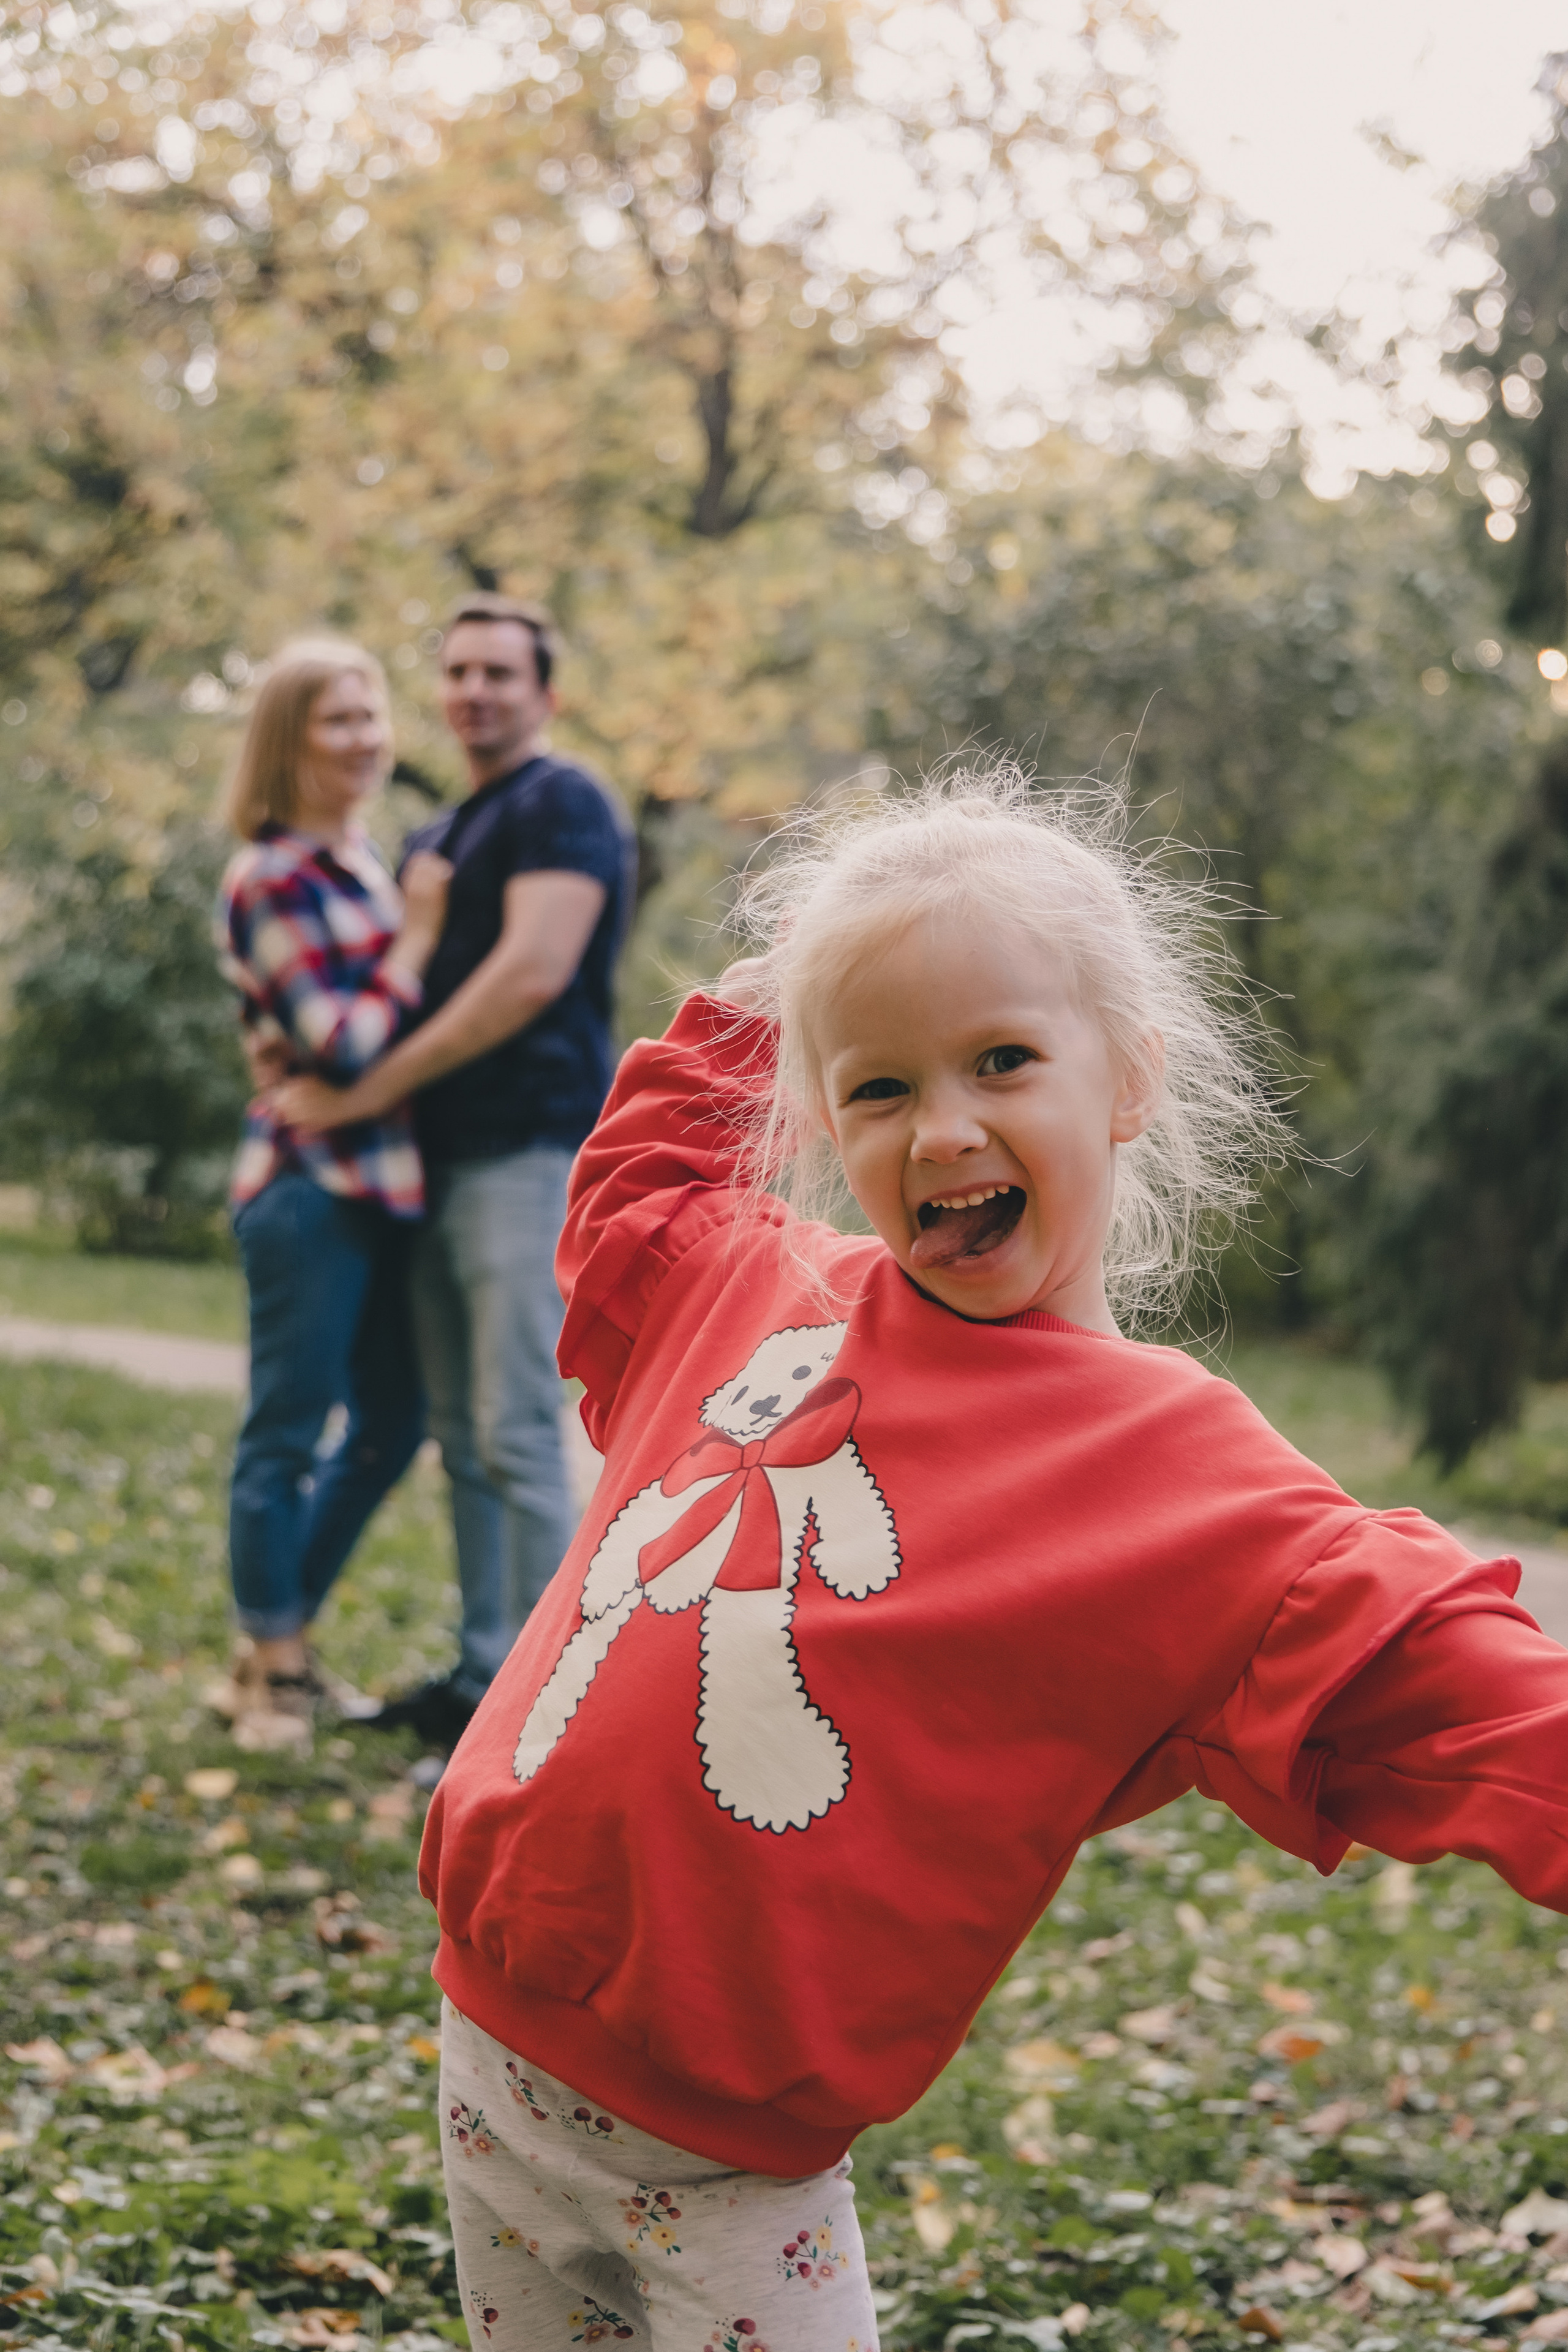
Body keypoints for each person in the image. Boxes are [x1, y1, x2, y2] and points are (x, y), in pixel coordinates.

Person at [415, 769, 1568, 2351]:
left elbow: (1453, 1686)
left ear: (1129, 1082)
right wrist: (775, 994)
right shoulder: (756, 1288)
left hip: (733, 2176)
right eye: (879, 1087)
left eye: (1004, 1061)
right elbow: (649, 1186)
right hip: (488, 2063)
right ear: (822, 1121)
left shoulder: (1178, 1482)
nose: (943, 1126)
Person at [276, 595, 635, 1752]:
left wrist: (373, 1092)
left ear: (546, 693)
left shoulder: (561, 802)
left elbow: (533, 973)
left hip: (525, 1150)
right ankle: (490, 1674)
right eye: (459, 671)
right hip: (430, 1168)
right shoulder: (436, 837)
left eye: (500, 671)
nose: (475, 689)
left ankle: (544, 1707)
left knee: (521, 1428)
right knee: (467, 1433)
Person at [214, 638, 452, 1751]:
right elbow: (347, 1048)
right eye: (337, 720)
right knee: (286, 1431)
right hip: (308, 1190)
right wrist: (416, 940)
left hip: (382, 1189)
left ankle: (274, 1637)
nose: (366, 738)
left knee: (394, 1423)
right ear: (288, 742)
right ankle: (274, 1672)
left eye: (373, 715)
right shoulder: (272, 877)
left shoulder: (365, 863)